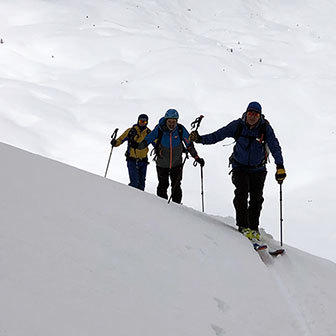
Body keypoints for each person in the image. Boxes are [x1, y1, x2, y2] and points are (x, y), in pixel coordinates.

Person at [189, 101, 286, 241]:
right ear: (246, 113)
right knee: (241, 193)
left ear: (260, 116)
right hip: (239, 167)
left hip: (258, 169)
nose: (252, 117)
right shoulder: (238, 125)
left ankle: (253, 228)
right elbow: (218, 135)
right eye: (250, 113)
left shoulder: (265, 129)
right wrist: (200, 139)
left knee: (256, 199)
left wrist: (280, 166)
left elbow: (275, 146)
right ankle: (243, 226)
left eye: (255, 114)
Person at [130, 109, 205, 204]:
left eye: (174, 122)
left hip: (176, 164)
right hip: (162, 164)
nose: (171, 124)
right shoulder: (159, 129)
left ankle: (177, 207)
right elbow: (148, 140)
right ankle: (162, 207)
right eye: (169, 121)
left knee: (176, 186)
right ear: (166, 120)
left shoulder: (180, 129)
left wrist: (197, 158)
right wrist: (137, 145)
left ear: (177, 121)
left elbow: (189, 145)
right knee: (163, 185)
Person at [111, 114, 151, 191]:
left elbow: (156, 142)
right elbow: (120, 140)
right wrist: (115, 143)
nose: (142, 123)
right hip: (132, 160)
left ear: (147, 122)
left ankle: (139, 201)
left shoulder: (148, 133)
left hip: (143, 161)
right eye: (141, 121)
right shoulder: (130, 131)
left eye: (144, 121)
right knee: (134, 183)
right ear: (138, 121)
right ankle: (130, 198)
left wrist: (160, 149)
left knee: (141, 184)